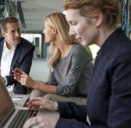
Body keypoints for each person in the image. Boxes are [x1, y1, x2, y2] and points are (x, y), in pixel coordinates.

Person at [22, 0, 131, 128]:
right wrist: (56, 105)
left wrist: (58, 124)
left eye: (74, 23)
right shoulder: (106, 53)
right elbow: (96, 113)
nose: (71, 32)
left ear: (97, 18)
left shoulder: (123, 58)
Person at [13, 12, 93, 102]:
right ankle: (31, 115)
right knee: (36, 93)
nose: (43, 31)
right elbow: (52, 83)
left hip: (83, 99)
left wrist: (35, 84)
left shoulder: (77, 51)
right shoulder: (55, 53)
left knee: (48, 98)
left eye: (45, 28)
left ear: (54, 30)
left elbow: (68, 89)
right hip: (67, 96)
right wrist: (29, 82)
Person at [0, 16, 35, 94]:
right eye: (13, 31)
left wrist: (3, 80)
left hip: (16, 87)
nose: (18, 34)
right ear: (4, 34)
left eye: (18, 30)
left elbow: (23, 74)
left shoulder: (28, 48)